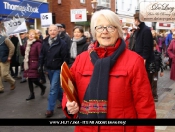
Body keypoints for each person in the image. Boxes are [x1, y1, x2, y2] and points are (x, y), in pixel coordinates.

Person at [62, 9, 156, 132]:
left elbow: (145, 106)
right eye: (100, 27)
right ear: (94, 31)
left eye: (111, 27)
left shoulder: (134, 61)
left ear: (118, 30)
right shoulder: (81, 59)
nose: (105, 32)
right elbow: (69, 90)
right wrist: (69, 104)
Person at [39, 24, 69, 117]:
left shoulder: (62, 43)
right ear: (48, 31)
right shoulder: (44, 42)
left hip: (58, 69)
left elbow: (66, 58)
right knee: (56, 87)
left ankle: (50, 109)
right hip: (49, 68)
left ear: (58, 31)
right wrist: (41, 66)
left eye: (54, 30)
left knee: (52, 89)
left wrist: (63, 69)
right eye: (50, 30)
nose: (52, 32)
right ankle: (62, 100)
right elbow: (42, 55)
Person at [133, 13, 155, 90]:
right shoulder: (139, 30)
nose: (134, 21)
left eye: (134, 20)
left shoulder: (145, 30)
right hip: (139, 58)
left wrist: (144, 59)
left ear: (137, 20)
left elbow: (147, 46)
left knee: (145, 80)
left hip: (144, 60)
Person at [23, 29, 46, 100]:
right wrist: (21, 48)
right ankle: (31, 94)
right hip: (28, 64)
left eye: (32, 34)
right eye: (30, 34)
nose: (31, 35)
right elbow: (25, 54)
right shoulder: (27, 43)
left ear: (35, 36)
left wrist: (40, 64)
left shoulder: (38, 44)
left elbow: (40, 55)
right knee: (29, 79)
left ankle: (42, 86)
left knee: (34, 79)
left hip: (34, 64)